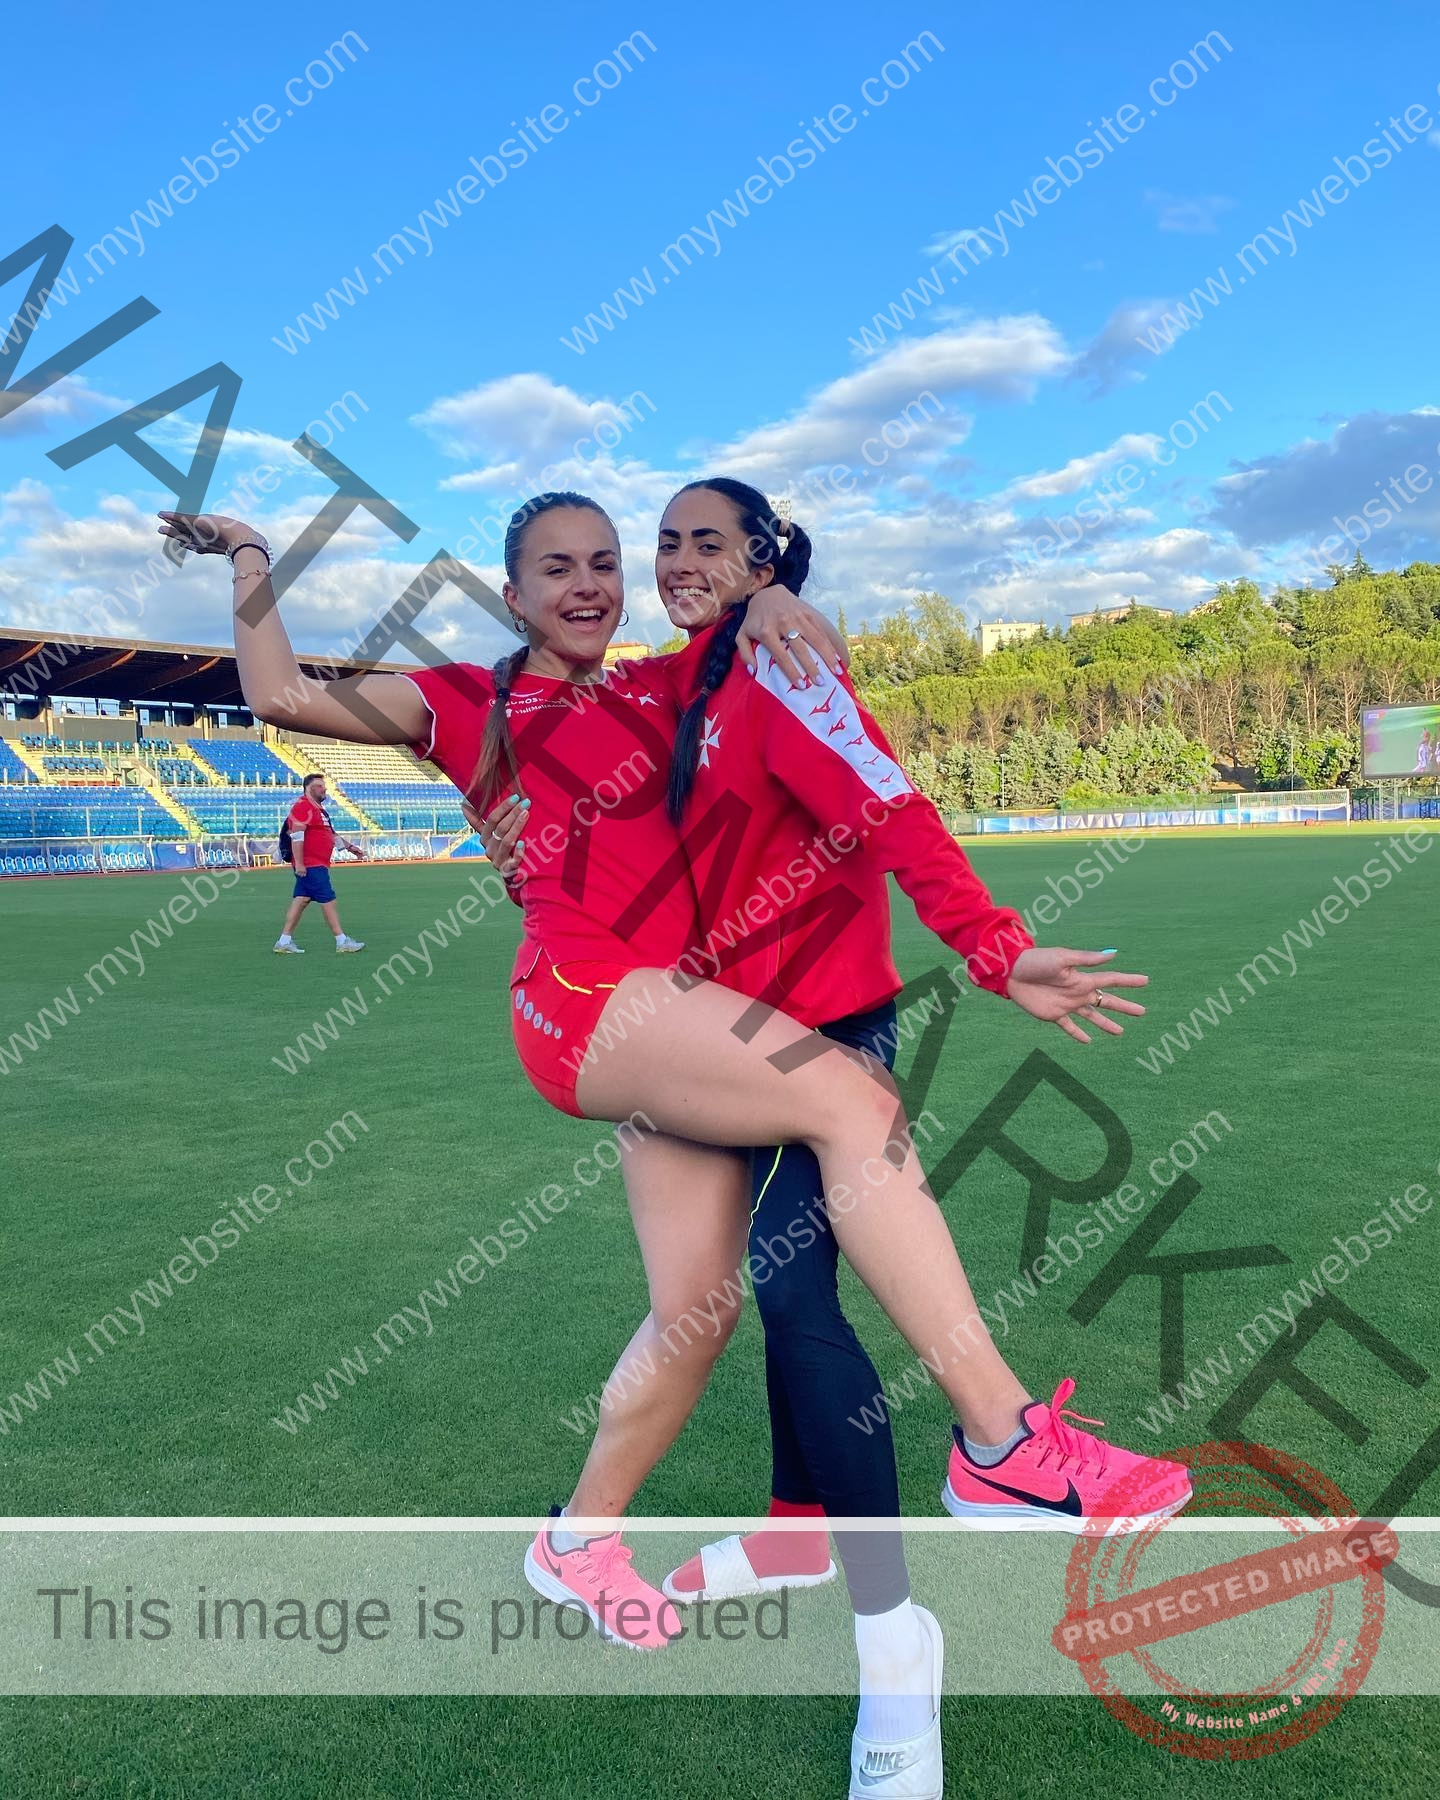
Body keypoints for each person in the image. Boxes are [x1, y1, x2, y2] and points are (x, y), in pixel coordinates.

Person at [162, 494, 1182, 1800]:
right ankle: (1000, 1443)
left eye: (608, 564)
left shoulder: (658, 693)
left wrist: (772, 596)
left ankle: (578, 1541)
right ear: (516, 589)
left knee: (693, 1310)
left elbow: (759, 664)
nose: (590, 585)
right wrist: (253, 556)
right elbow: (277, 692)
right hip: (584, 1000)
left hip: (679, 1019)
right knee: (852, 1106)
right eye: (557, 569)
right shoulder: (466, 698)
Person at [275, 771, 366, 953]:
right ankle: (342, 941)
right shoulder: (303, 807)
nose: (324, 789)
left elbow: (330, 834)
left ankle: (283, 942)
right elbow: (297, 836)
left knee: (301, 900)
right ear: (308, 789)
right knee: (328, 899)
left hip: (315, 863)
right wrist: (300, 863)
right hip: (311, 865)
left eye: (324, 786)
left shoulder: (317, 809)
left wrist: (350, 847)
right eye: (319, 786)